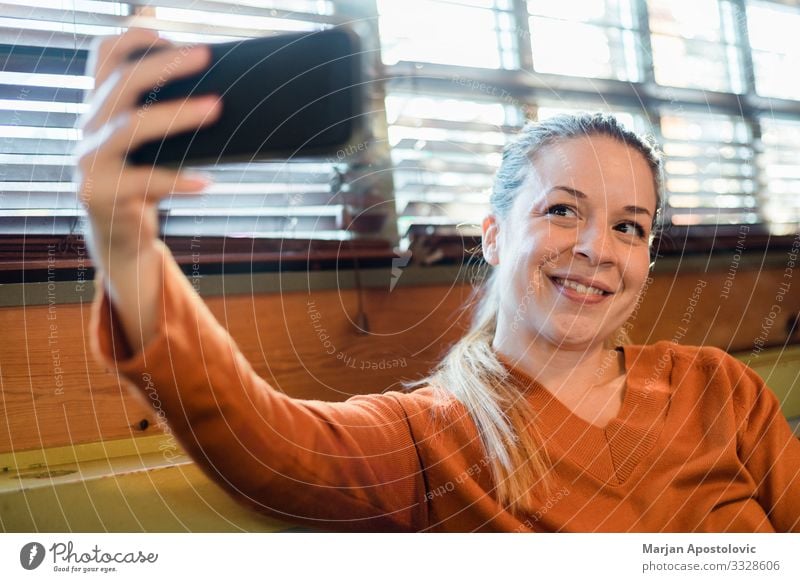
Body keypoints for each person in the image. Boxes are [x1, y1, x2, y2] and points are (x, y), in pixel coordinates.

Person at [79, 29, 800, 532]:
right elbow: (266, 444)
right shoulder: (429, 436)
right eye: (562, 210)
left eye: (629, 226)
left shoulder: (720, 389)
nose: (596, 249)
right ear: (493, 234)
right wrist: (123, 242)